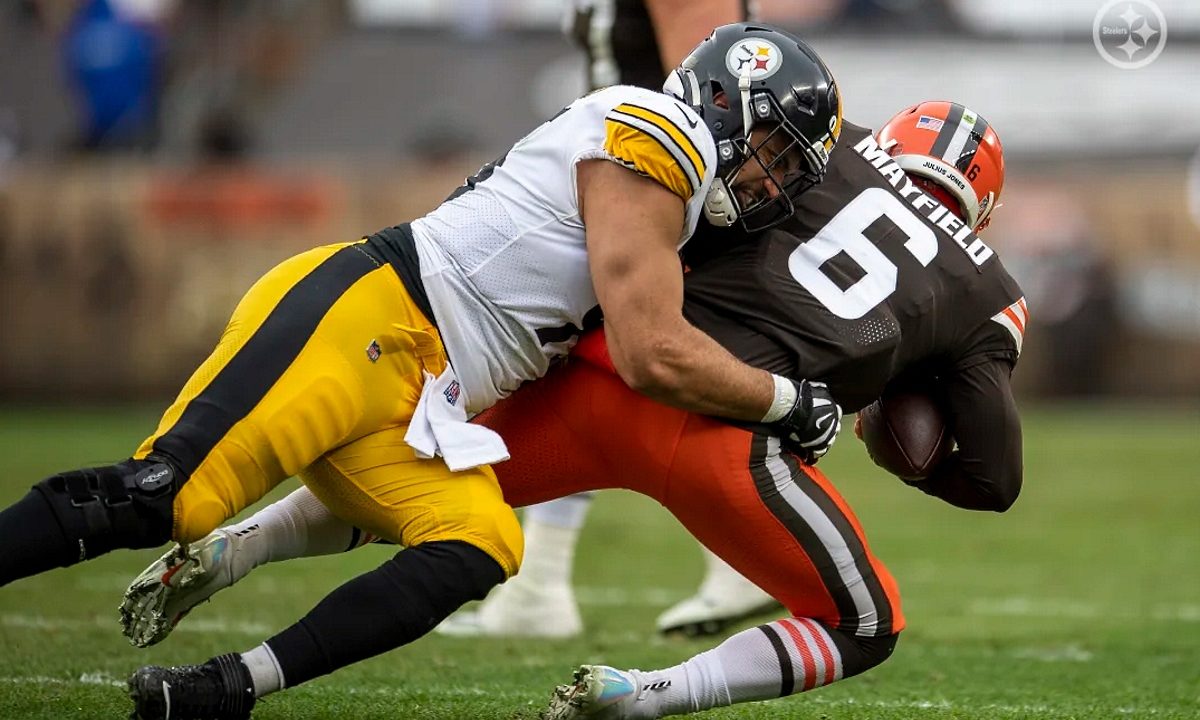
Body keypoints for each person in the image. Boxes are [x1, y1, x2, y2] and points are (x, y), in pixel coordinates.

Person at [0, 22, 846, 720]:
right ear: (727, 102)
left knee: (480, 543)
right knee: (162, 497)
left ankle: (226, 689)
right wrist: (785, 401)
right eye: (774, 145)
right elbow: (650, 350)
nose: (773, 176)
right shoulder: (662, 137)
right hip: (368, 316)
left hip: (427, 396)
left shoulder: (684, 191)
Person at [121, 100, 1025, 720]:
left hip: (610, 376)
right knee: (865, 624)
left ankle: (242, 545)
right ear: (979, 209)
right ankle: (649, 693)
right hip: (735, 438)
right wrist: (903, 410)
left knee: (422, 492)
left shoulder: (823, 140)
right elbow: (994, 478)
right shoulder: (988, 288)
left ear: (893, 138)